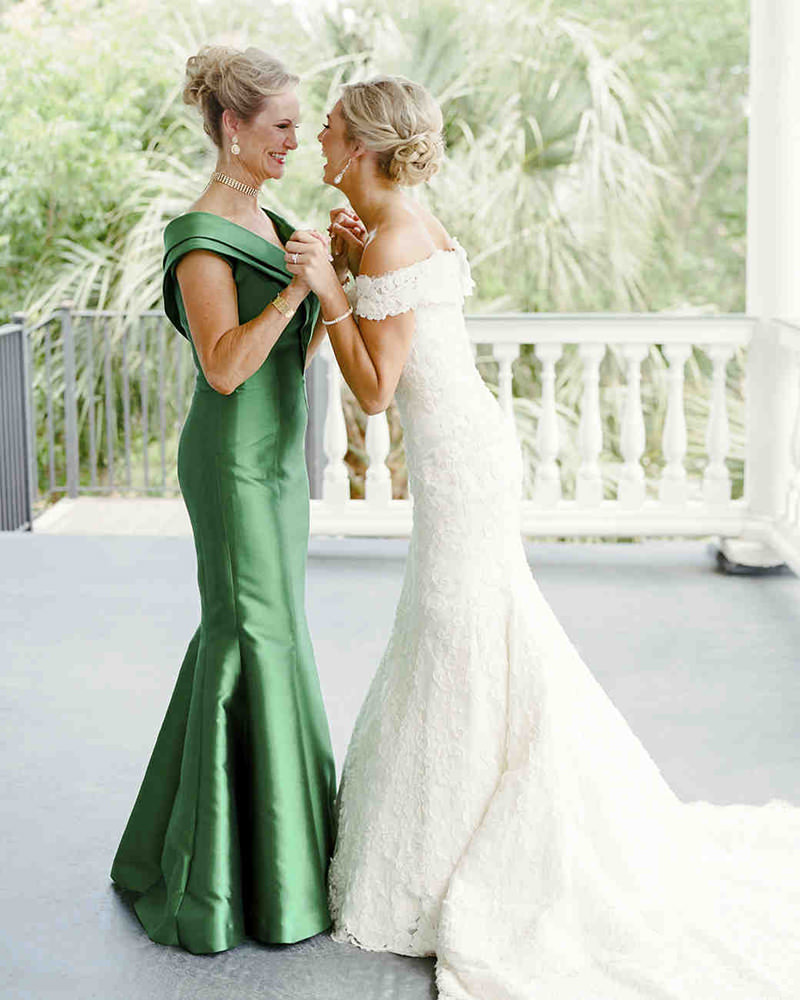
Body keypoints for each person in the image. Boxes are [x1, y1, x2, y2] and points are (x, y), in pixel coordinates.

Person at [285, 75, 800, 999]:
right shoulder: (399, 226)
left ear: (360, 147)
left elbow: (370, 392)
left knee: (462, 640)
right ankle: (450, 832)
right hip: (465, 458)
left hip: (461, 470)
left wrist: (329, 282)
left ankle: (474, 852)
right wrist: (353, 272)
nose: (316, 138)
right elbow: (393, 346)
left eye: (326, 127)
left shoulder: (398, 232)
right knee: (463, 638)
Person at [109, 45, 337, 955]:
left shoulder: (270, 216)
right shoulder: (201, 233)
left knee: (259, 633)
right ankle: (232, 881)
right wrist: (292, 289)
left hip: (281, 458)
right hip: (233, 461)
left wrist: (327, 283)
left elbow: (294, 355)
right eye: (281, 124)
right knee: (252, 635)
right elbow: (226, 364)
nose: (295, 139)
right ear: (233, 128)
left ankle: (267, 855)